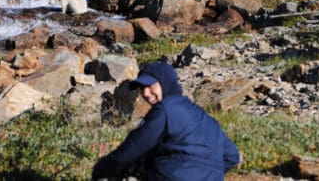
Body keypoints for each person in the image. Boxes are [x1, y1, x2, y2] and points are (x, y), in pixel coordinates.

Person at [92, 61, 240, 180]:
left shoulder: (164, 109)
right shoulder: (206, 119)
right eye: (142, 88)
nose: (146, 93)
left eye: (150, 86)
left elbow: (133, 148)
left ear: (166, 83)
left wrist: (100, 169)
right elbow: (231, 156)